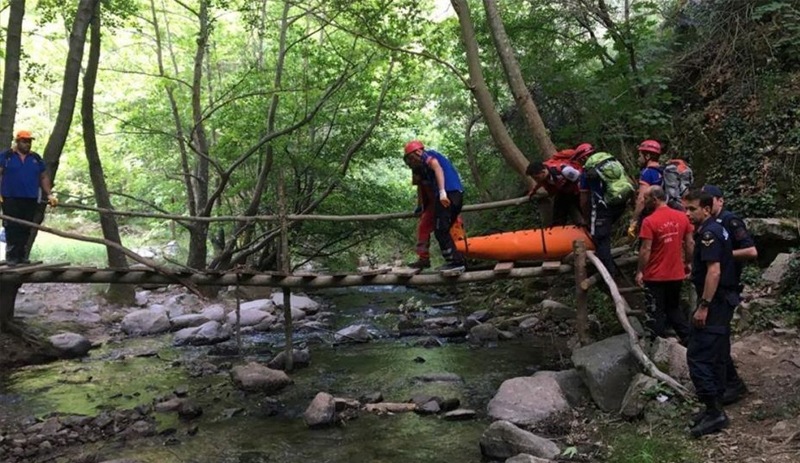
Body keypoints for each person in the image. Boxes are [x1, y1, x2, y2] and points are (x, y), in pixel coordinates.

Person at [683, 188, 740, 438]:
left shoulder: (709, 233)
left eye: (692, 209)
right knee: (715, 354)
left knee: (698, 355)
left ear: (706, 209)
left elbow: (714, 271)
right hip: (721, 300)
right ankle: (713, 408)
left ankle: (715, 412)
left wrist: (703, 306)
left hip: (715, 303)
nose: (688, 213)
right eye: (686, 208)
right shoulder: (715, 228)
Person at [702, 184, 758, 405]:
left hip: (726, 287)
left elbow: (751, 251)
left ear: (720, 200)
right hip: (715, 287)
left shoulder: (729, 220)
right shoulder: (709, 225)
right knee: (716, 339)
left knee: (719, 338)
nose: (706, 205)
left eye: (710, 201)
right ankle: (724, 382)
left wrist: (723, 254)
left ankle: (732, 384)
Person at [635, 186, 693, 344]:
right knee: (673, 308)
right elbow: (689, 243)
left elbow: (645, 249)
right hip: (676, 273)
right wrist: (688, 262)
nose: (643, 201)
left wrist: (640, 271)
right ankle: (689, 339)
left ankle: (656, 345)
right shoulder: (682, 217)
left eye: (646, 198)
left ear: (654, 199)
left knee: (655, 311)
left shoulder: (649, 221)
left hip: (655, 275)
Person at [403, 140, 466, 273]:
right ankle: (434, 259)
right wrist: (420, 205)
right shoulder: (420, 168)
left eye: (412, 159)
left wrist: (442, 192)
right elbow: (421, 187)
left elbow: (437, 167)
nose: (412, 162)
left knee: (442, 230)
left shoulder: (427, 156)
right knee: (433, 228)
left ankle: (457, 261)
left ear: (418, 152)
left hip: (447, 194)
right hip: (448, 196)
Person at [0, 130, 57, 266]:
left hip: (30, 198)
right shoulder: (7, 156)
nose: (27, 144)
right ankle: (12, 257)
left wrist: (49, 194)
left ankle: (22, 256)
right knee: (12, 226)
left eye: (29, 142)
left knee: (26, 227)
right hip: (10, 197)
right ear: (18, 141)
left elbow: (43, 177)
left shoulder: (36, 158)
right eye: (24, 141)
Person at [576, 142, 633, 274]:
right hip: (620, 203)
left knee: (599, 238)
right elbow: (628, 181)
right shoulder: (612, 161)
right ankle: (610, 266)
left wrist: (586, 218)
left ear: (583, 158)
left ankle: (608, 274)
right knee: (605, 234)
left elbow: (584, 199)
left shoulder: (587, 171)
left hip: (603, 208)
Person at [525, 148, 583, 226]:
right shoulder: (544, 176)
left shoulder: (564, 170)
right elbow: (540, 183)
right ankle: (558, 230)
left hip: (576, 190)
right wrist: (534, 191)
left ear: (543, 172)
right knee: (558, 214)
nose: (536, 180)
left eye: (536, 177)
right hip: (563, 191)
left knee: (584, 209)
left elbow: (580, 179)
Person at [628, 139, 664, 239]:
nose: (638, 159)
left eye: (640, 156)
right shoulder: (662, 171)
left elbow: (641, 200)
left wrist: (634, 220)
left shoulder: (647, 173)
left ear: (647, 156)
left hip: (650, 216)